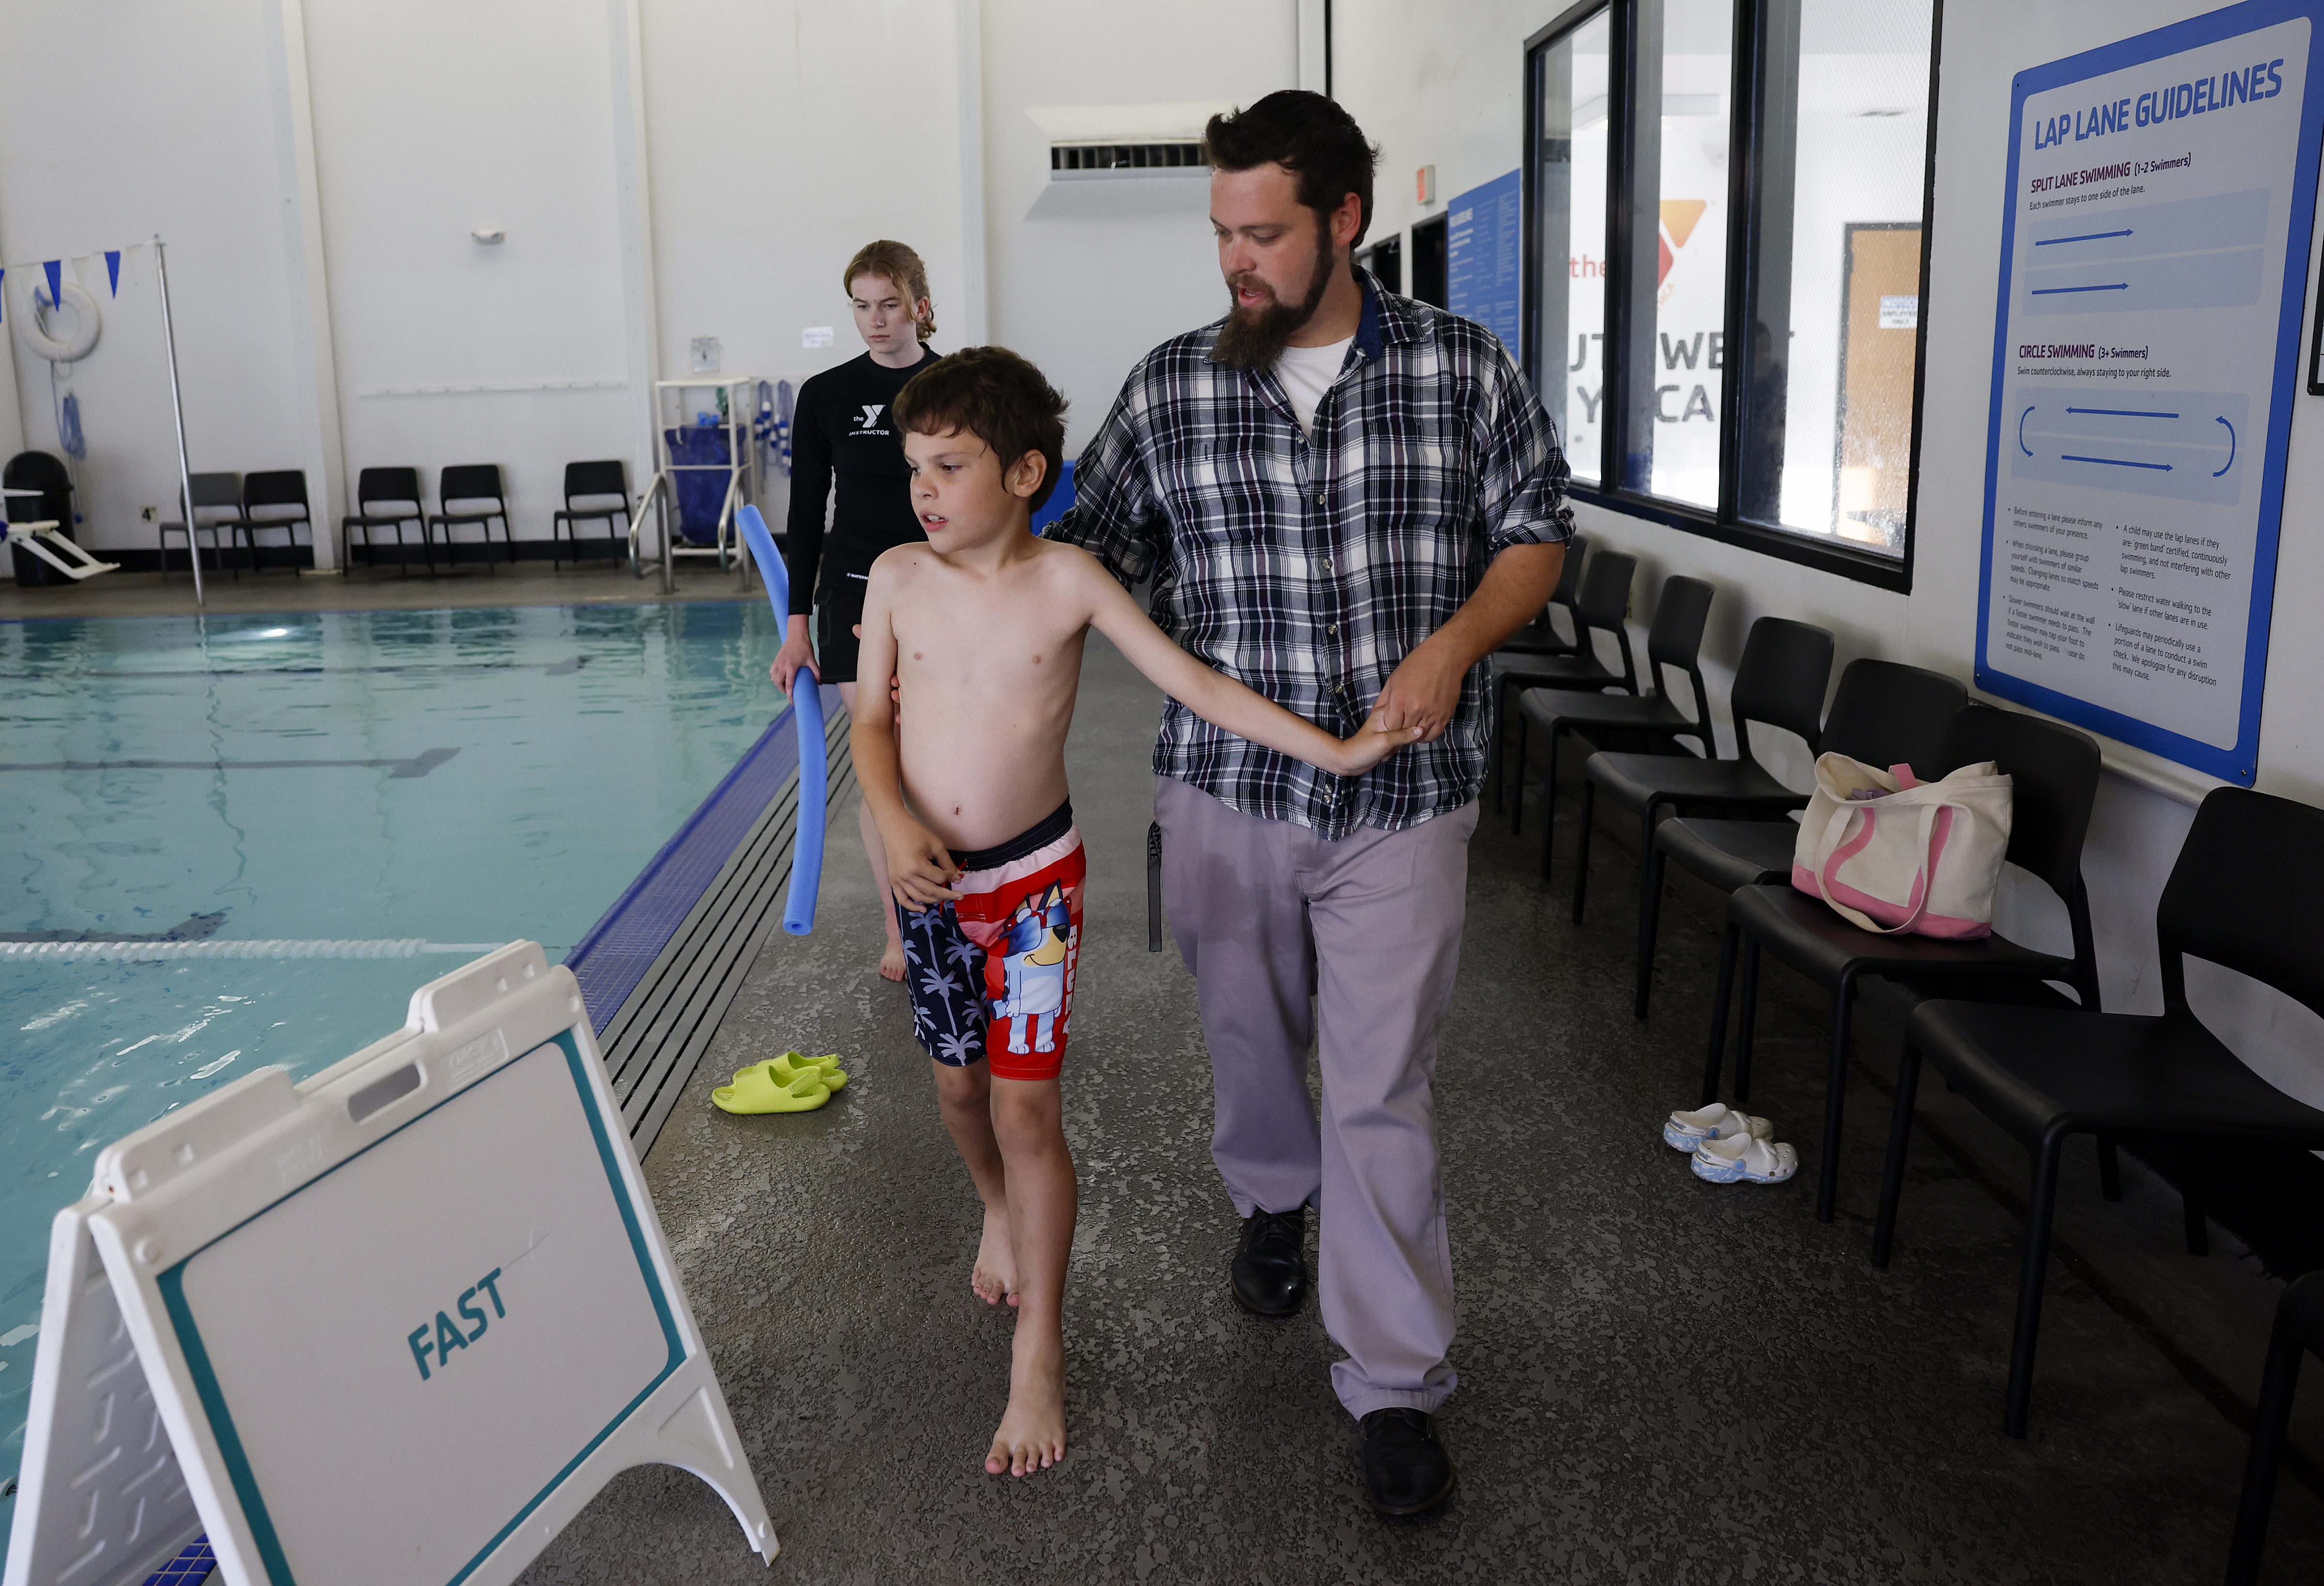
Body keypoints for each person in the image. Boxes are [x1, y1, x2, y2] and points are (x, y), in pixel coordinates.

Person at [1050, 90, 1573, 1515]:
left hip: (1405, 796)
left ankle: (1395, 1379)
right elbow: (1076, 554)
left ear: (1346, 220)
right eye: (1223, 231)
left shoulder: (1462, 367)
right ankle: (1273, 1200)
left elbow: (1537, 534)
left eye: (1264, 232)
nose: (1238, 260)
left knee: (1385, 1082)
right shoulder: (1171, 387)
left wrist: (1457, 642)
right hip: (1224, 793)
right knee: (1252, 1039)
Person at [849, 346, 1416, 1480]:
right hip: (930, 885)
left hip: (1034, 888)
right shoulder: (896, 576)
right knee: (958, 1093)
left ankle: (1039, 1352)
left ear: (1025, 473)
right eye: (916, 468)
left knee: (1025, 1110)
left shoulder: (1071, 582)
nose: (924, 490)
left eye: (949, 467)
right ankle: (994, 1208)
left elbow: (1199, 683)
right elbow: (870, 723)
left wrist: (1341, 748)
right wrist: (895, 825)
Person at [772, 240, 940, 982]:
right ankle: (901, 925)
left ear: (919, 306)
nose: (875, 320)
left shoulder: (954, 385)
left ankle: (952, 907)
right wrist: (796, 625)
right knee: (882, 763)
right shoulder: (827, 394)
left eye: (890, 304)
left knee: (939, 761)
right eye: (863, 306)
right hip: (851, 588)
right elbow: (806, 514)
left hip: (941, 589)